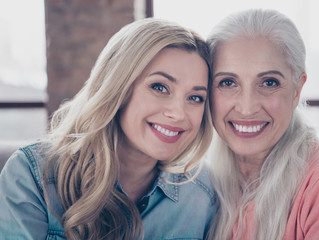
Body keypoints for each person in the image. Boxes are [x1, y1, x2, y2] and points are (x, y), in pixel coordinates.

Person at [0, 18, 216, 239]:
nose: (178, 113)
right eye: (159, 87)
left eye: (195, 97)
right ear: (118, 87)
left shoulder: (203, 194)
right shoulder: (31, 176)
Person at [206, 9, 319, 240]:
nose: (247, 108)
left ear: (297, 90)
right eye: (228, 82)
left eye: (269, 82)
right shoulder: (200, 181)